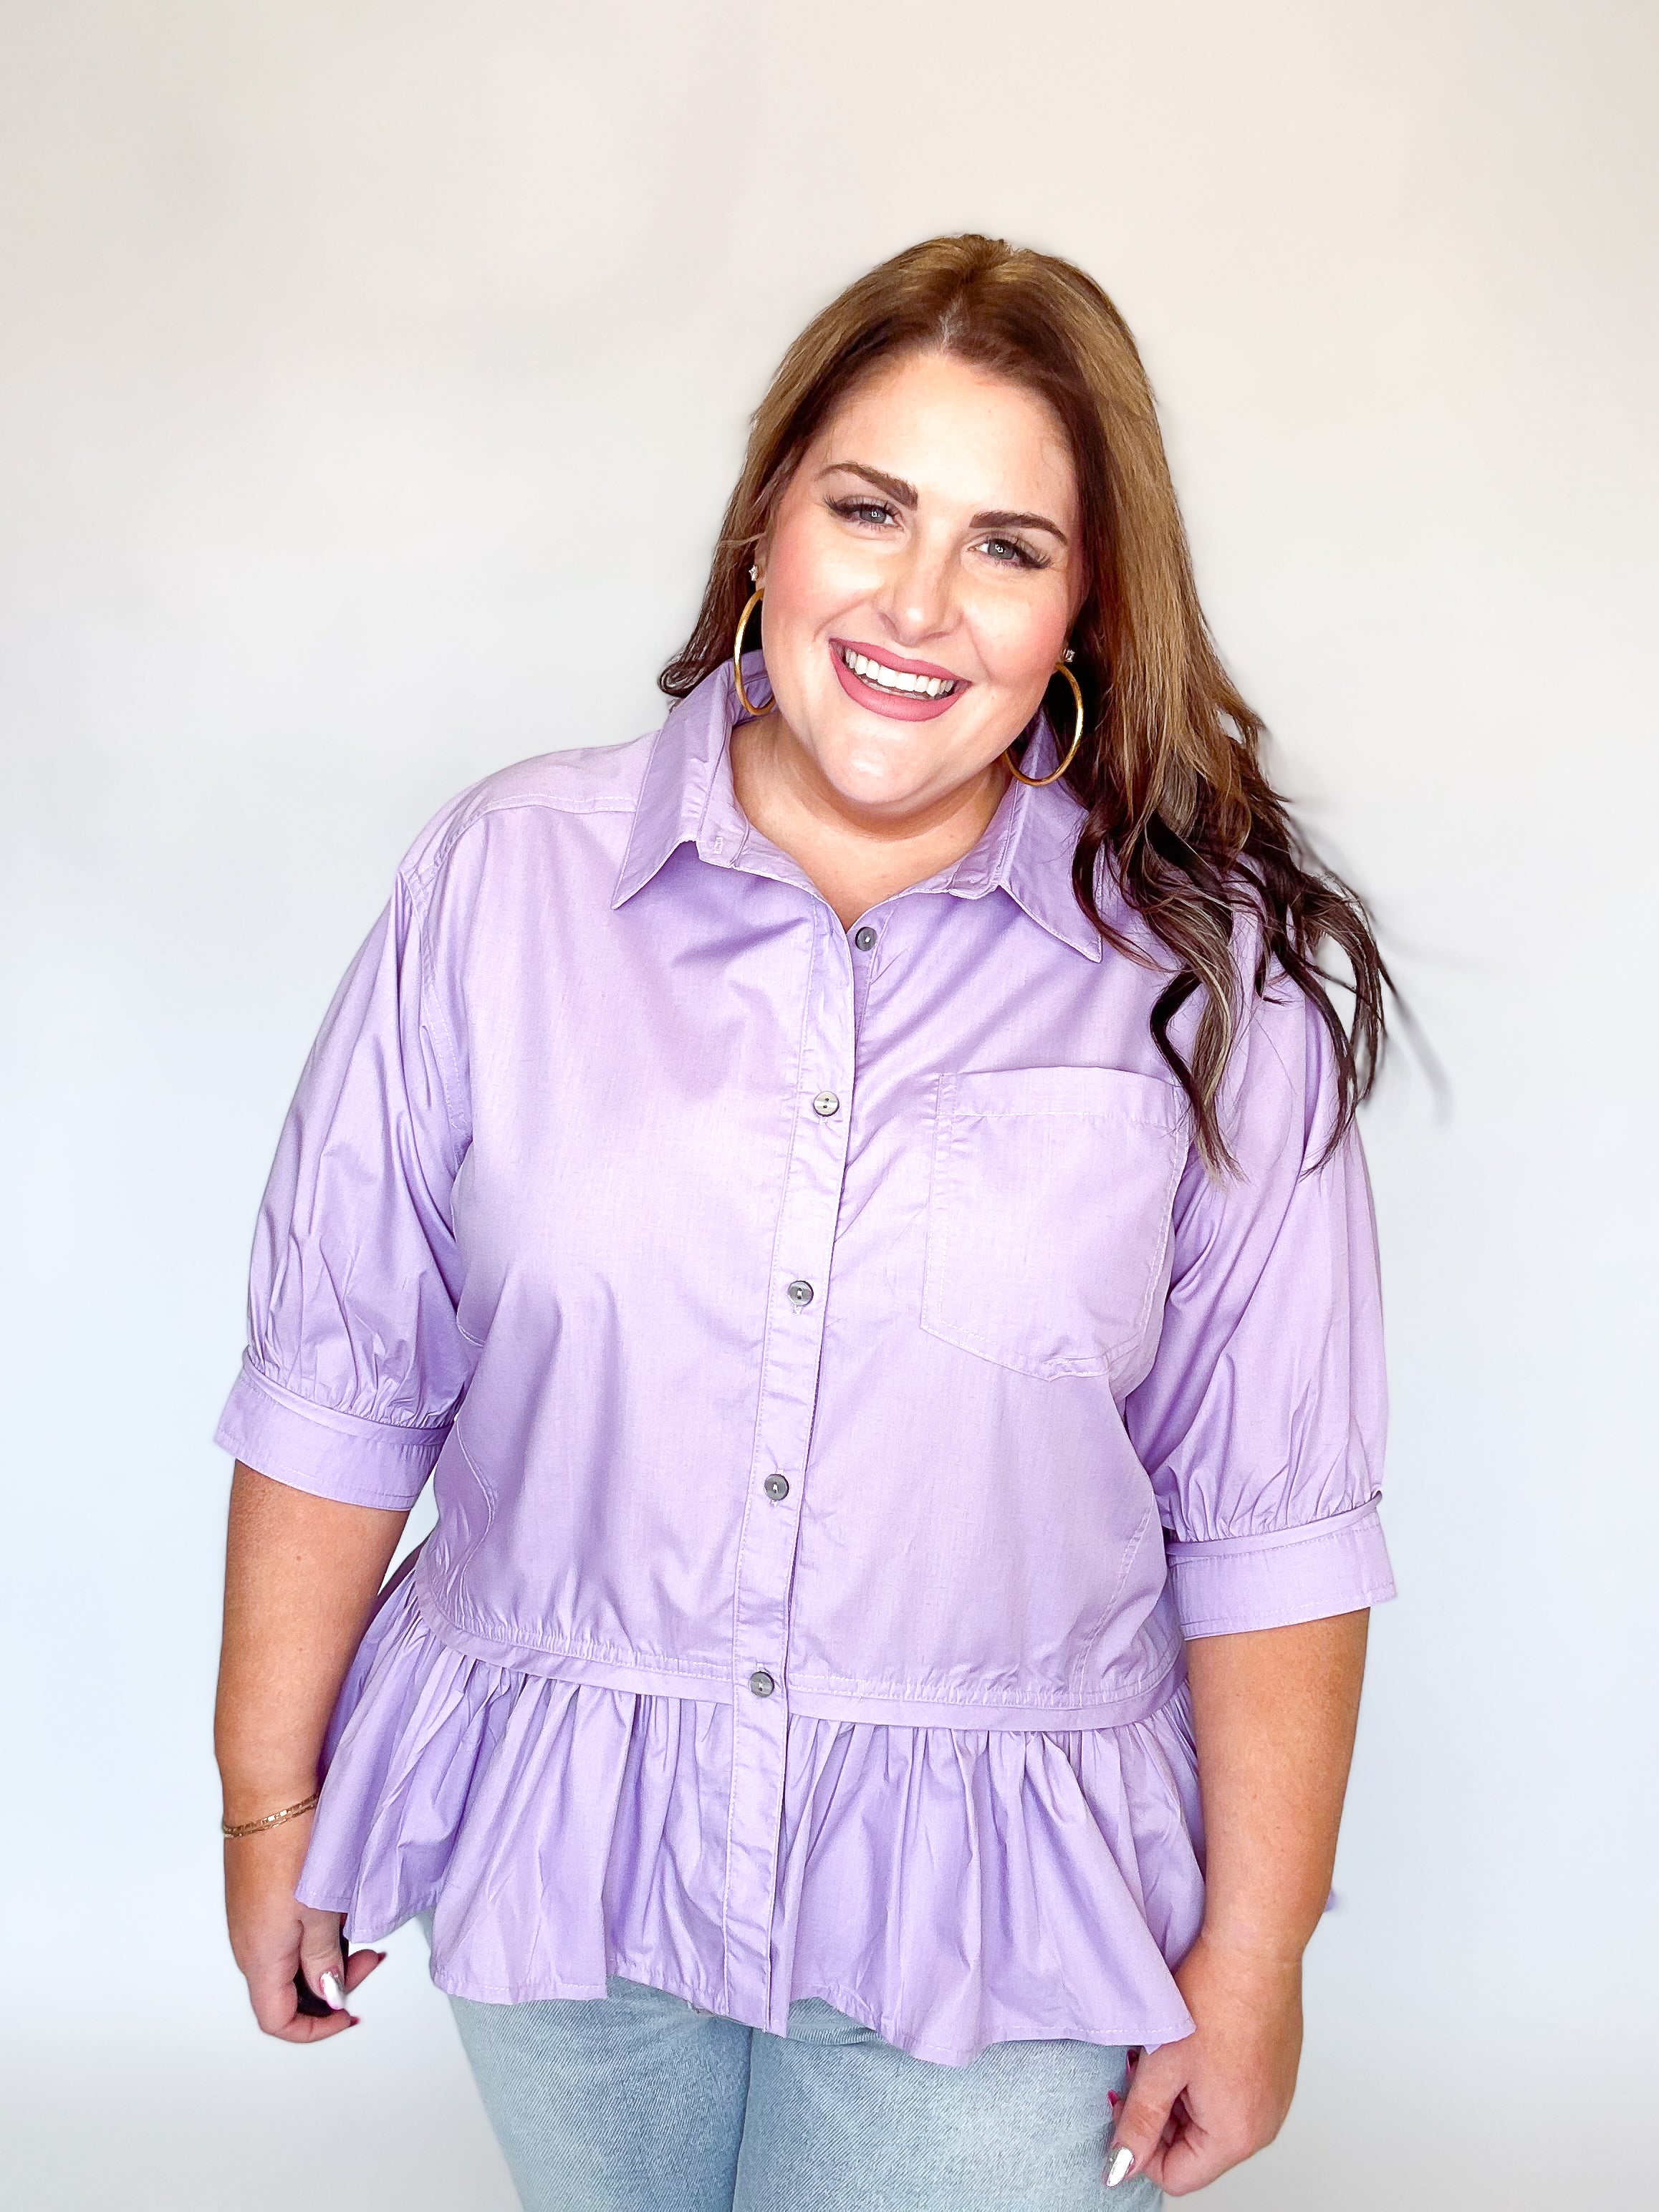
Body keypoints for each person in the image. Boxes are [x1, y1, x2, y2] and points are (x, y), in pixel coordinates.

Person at [213, 232, 1395, 2208]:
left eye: (1007, 545)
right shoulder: (504, 884)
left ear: (1087, 603)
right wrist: (269, 1809)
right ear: (767, 515)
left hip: (999, 1899)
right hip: (567, 1842)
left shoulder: (1205, 980)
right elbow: (343, 1379)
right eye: (869, 508)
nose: (918, 603)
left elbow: (1269, 1510)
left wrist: (1254, 1958)